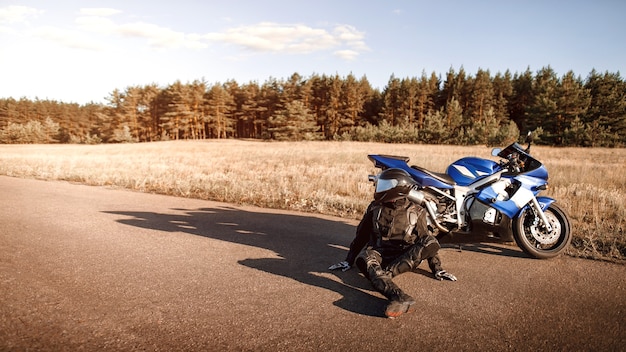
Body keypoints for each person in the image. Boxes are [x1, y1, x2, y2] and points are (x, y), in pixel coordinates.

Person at [329, 168, 457, 318]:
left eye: (385, 185)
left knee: (431, 241)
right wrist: (348, 260)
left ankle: (383, 278)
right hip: (380, 254)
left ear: (399, 189)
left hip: (405, 257)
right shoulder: (375, 207)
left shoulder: (417, 211)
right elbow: (361, 236)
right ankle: (399, 296)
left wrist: (437, 268)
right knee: (365, 257)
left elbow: (426, 241)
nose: (380, 188)